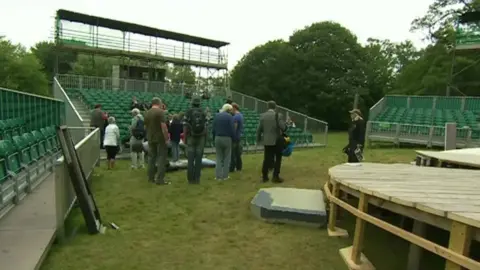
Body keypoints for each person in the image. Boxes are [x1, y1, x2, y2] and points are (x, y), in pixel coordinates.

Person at [256, 101, 286, 183]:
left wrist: (258, 139)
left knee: (266, 158)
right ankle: (275, 176)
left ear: (267, 107)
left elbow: (259, 129)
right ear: (275, 107)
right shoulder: (278, 115)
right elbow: (283, 128)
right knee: (278, 158)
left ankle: (265, 176)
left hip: (266, 140)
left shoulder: (262, 116)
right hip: (277, 140)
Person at [144, 97, 170, 185]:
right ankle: (160, 179)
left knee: (151, 158)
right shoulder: (160, 112)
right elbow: (164, 127)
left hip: (150, 138)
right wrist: (167, 138)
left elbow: (146, 126)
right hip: (160, 138)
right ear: (159, 103)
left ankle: (150, 178)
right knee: (161, 158)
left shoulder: (147, 113)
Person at [184, 97, 207, 184]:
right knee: (198, 159)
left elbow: (185, 125)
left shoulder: (188, 111)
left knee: (190, 159)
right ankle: (197, 179)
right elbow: (206, 125)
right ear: (199, 104)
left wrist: (185, 138)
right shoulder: (203, 112)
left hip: (191, 137)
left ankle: (190, 179)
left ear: (192, 103)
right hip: (201, 137)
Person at [212, 104, 235, 181]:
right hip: (227, 138)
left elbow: (213, 128)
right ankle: (225, 176)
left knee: (219, 157)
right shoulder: (230, 117)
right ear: (229, 110)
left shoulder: (217, 116)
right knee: (226, 158)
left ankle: (218, 176)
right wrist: (233, 137)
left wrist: (213, 137)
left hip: (217, 138)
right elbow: (232, 129)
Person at [230, 103, 244, 172]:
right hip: (239, 136)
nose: (230, 111)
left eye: (231, 109)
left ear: (234, 108)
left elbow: (234, 127)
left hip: (235, 138)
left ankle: (232, 168)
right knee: (238, 153)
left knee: (233, 154)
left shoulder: (236, 117)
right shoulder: (241, 115)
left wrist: (232, 135)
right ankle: (239, 167)